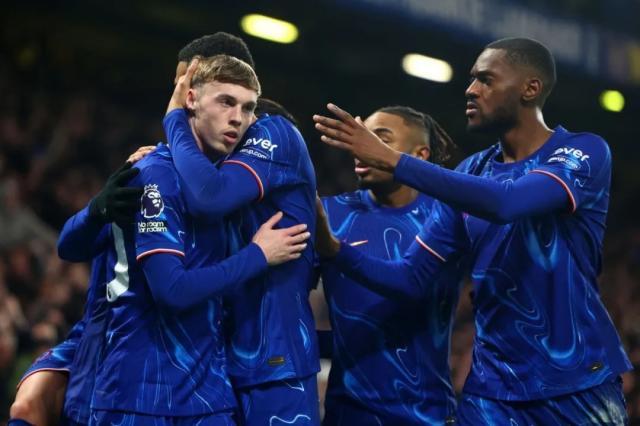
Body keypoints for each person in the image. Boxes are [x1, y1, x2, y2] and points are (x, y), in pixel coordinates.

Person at [313, 37, 631, 424]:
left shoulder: (583, 151)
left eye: (486, 80)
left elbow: (507, 203)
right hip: (491, 393)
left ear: (530, 89)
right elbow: (410, 279)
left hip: (576, 383)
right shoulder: (472, 171)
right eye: (471, 79)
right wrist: (334, 249)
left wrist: (394, 160)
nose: (471, 90)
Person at [164, 77, 320, 423]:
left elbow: (210, 197)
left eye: (245, 109)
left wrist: (173, 118)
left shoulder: (274, 130)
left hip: (274, 365)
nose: (235, 119)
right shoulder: (215, 164)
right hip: (213, 366)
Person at [318, 106, 462, 425]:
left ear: (419, 155)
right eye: (359, 137)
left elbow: (408, 284)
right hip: (347, 414)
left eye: (380, 139)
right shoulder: (328, 214)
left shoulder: (446, 216)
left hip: (427, 414)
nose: (361, 146)